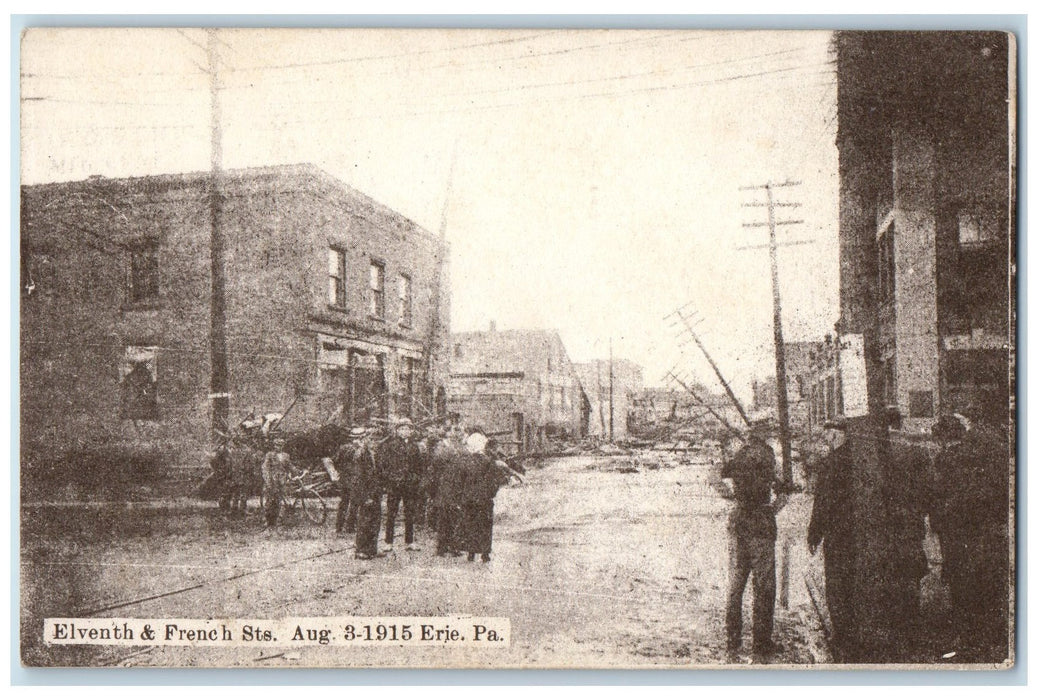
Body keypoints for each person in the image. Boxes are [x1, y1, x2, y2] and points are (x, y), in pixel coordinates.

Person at [931, 402, 1012, 662]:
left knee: (961, 584)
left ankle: (968, 642)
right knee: (982, 581)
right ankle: (988, 636)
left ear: (943, 439)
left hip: (957, 531)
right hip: (981, 529)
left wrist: (939, 519)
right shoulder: (982, 453)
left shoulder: (946, 460)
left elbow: (940, 497)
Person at [721, 419, 780, 661]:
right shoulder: (767, 454)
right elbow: (773, 481)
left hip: (739, 520)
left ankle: (733, 639)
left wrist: (731, 497)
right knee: (764, 585)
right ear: (763, 434)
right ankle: (761, 643)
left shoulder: (740, 454)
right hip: (760, 523)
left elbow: (719, 475)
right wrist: (776, 503)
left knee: (736, 583)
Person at [879, 405, 934, 661]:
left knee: (888, 569)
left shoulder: (876, 453)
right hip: (910, 521)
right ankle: (912, 622)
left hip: (885, 522)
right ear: (900, 423)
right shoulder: (916, 451)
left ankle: (891, 624)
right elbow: (928, 490)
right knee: (911, 570)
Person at [807, 417, 857, 662]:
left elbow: (822, 503)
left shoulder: (829, 464)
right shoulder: (859, 462)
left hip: (837, 532)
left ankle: (843, 634)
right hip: (860, 531)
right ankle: (858, 628)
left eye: (827, 435)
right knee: (857, 578)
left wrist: (813, 533)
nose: (825, 439)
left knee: (836, 582)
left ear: (836, 435)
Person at [459, 432, 512, 563]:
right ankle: (485, 553)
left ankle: (471, 552)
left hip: (468, 498)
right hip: (484, 499)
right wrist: (490, 494)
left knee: (470, 524)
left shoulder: (465, 462)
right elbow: (494, 481)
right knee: (485, 525)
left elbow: (459, 481)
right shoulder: (489, 462)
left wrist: (462, 496)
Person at [379, 418, 424, 551]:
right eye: (402, 429)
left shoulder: (414, 446)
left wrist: (415, 478)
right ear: (397, 431)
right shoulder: (390, 445)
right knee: (391, 513)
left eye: (408, 429)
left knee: (410, 512)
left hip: (410, 485)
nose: (405, 431)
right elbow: (384, 465)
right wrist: (391, 478)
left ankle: (409, 541)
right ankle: (388, 542)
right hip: (394, 485)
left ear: (411, 431)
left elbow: (419, 466)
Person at [352, 430, 382, 560]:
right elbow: (358, 478)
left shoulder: (375, 454)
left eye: (376, 440)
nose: (374, 442)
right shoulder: (361, 455)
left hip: (375, 492)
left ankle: (372, 549)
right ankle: (360, 550)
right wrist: (364, 497)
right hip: (365, 493)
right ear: (365, 439)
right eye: (371, 439)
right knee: (364, 521)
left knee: (375, 521)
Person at [333, 427, 369, 535]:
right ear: (362, 438)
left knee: (344, 502)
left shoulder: (343, 448)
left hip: (345, 479)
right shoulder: (360, 449)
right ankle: (350, 527)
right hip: (356, 479)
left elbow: (335, 461)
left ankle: (339, 527)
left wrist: (341, 471)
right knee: (354, 503)